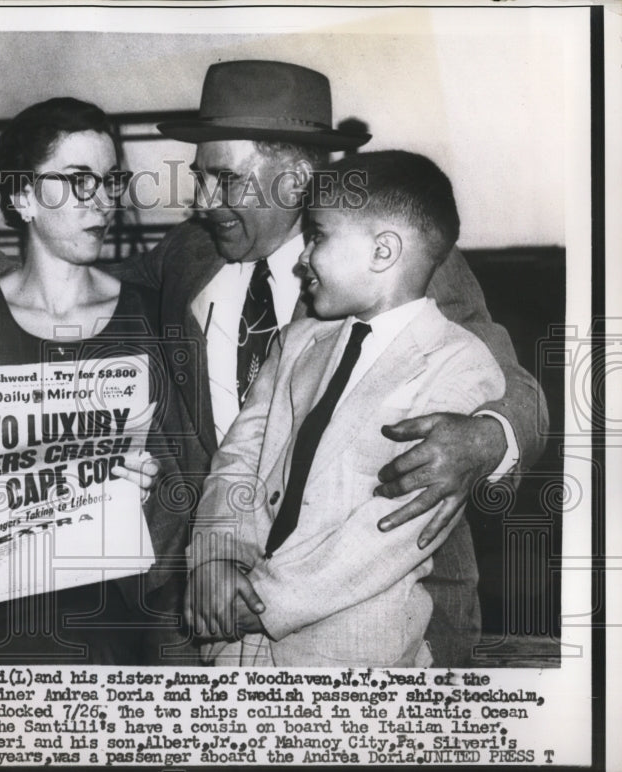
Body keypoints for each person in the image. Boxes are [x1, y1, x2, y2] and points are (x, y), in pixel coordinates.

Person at [0, 60, 549, 665]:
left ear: (293, 179)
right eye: (199, 175)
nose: (201, 200)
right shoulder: (192, 254)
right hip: (217, 627)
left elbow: (513, 384)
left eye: (223, 178)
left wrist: (487, 437)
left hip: (384, 636)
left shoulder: (398, 264)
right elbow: (65, 266)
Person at [188, 151, 504, 665]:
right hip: (234, 648)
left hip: (353, 658)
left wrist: (262, 601)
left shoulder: (459, 364)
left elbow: (391, 532)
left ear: (383, 251)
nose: (302, 256)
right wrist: (212, 561)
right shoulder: (297, 340)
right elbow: (236, 459)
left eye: (318, 235)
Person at [0, 97, 171, 665]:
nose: (103, 201)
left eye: (111, 182)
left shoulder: (153, 317)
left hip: (116, 637)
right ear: (24, 196)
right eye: (79, 181)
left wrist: (152, 486)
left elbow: (191, 490)